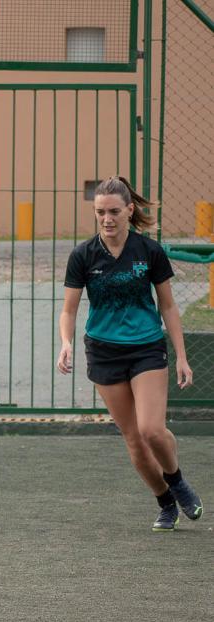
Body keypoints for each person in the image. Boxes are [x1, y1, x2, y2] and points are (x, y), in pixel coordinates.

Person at [57, 176, 202, 532]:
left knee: (152, 430)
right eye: (100, 212)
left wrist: (182, 356)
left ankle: (177, 482)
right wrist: (66, 342)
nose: (107, 219)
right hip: (104, 353)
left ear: (129, 211)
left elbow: (168, 306)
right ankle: (165, 503)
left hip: (146, 348)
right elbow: (69, 310)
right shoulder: (83, 255)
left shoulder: (149, 251)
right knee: (135, 440)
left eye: (113, 212)